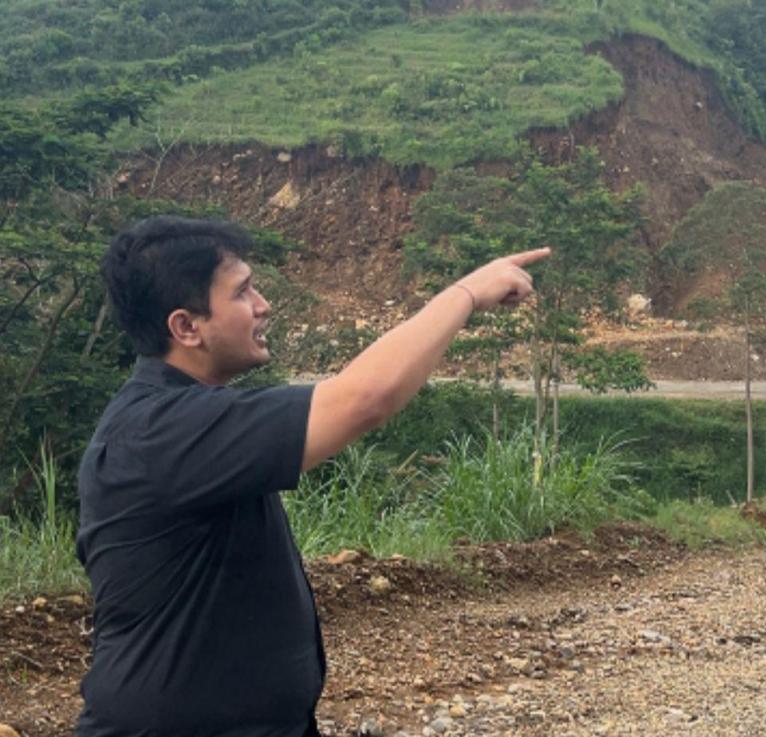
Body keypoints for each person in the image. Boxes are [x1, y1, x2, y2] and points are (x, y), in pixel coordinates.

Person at [75, 215, 549, 737]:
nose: (263, 305)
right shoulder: (161, 431)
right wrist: (465, 294)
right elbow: (365, 397)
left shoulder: (182, 416)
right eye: (243, 292)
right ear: (186, 327)